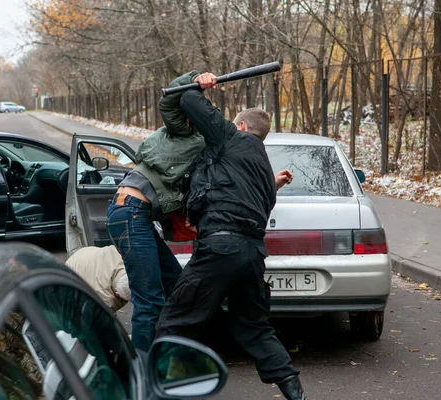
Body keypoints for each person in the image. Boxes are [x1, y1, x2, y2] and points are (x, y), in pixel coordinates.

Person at [155, 72, 306, 400]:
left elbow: (189, 100)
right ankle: (293, 390)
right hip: (252, 254)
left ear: (240, 126)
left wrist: (201, 81)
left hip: (219, 248)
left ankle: (160, 391)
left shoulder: (229, 138)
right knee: (253, 326)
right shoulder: (264, 173)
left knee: (174, 322)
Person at [106, 71, 206, 352]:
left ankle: (166, 356)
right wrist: (196, 77)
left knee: (174, 284)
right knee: (149, 300)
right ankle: (143, 376)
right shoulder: (182, 131)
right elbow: (169, 99)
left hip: (138, 217)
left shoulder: (204, 144)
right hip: (130, 212)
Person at [65, 245, 131, 312]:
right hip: (69, 284)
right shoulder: (105, 299)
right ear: (117, 294)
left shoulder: (123, 260)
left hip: (83, 255)